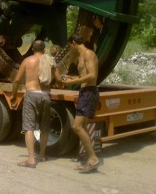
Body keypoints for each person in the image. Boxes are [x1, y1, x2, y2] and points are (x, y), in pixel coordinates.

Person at [11, 40, 62, 168]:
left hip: (31, 94)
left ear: (32, 49)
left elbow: (17, 80)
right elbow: (59, 79)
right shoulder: (49, 61)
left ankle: (31, 159)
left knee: (29, 127)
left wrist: (13, 95)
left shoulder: (27, 61)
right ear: (44, 50)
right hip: (45, 95)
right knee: (44, 127)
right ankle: (43, 155)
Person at [63, 33, 101, 172]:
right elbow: (84, 75)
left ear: (73, 43)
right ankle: (88, 159)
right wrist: (71, 77)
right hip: (84, 92)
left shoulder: (88, 54)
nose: (71, 49)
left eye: (70, 46)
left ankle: (93, 158)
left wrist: (72, 82)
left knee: (76, 126)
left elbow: (92, 75)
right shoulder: (82, 56)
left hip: (89, 92)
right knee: (82, 127)